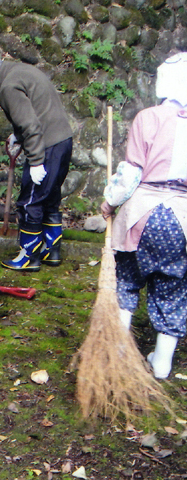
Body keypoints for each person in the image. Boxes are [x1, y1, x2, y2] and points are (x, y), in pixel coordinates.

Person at [101, 53, 187, 379]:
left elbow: (131, 174)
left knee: (127, 281)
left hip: (142, 214)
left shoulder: (148, 118)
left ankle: (118, 351)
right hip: (182, 220)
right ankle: (162, 364)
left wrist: (109, 204)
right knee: (172, 287)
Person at [0, 53, 73, 271]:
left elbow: (30, 125)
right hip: (62, 140)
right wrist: (18, 136)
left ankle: (29, 256)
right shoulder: (20, 71)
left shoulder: (8, 86)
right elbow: (37, 109)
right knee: (49, 196)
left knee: (30, 201)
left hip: (46, 144)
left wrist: (35, 162)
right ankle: (51, 251)